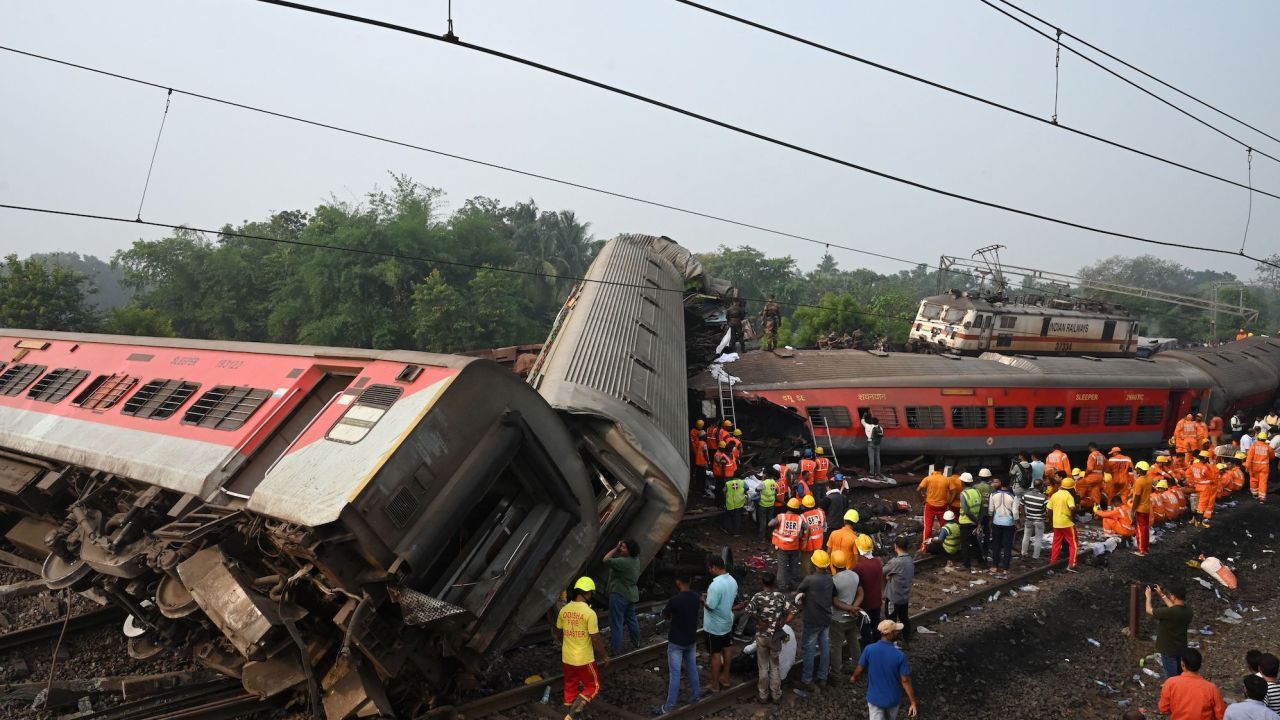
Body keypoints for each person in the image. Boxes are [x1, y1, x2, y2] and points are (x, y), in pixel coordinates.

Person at [555, 577, 608, 716]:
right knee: (593, 686)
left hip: (567, 657)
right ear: (588, 594)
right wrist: (604, 656)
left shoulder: (564, 610)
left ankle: (568, 712)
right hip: (584, 659)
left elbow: (559, 633)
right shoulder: (589, 613)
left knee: (570, 685)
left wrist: (566, 643)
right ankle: (573, 714)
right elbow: (595, 639)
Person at [741, 572, 795, 706]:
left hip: (761, 636)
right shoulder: (780, 597)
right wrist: (783, 623)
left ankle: (763, 695)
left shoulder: (757, 597)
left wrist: (759, 620)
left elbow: (747, 610)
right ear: (774, 583)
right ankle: (776, 695)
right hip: (775, 637)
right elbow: (793, 611)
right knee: (775, 666)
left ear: (763, 583)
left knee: (763, 667)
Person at [850, 620, 919, 720]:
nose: (897, 632)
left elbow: (860, 667)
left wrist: (854, 677)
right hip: (892, 699)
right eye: (895, 631)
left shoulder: (869, 649)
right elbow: (905, 680)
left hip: (874, 698)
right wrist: (913, 702)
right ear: (889, 634)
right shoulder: (900, 656)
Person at [655, 573, 702, 715]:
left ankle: (669, 706)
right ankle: (696, 696)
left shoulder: (675, 600)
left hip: (676, 642)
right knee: (692, 668)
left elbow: (665, 614)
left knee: (675, 674)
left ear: (678, 582)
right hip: (691, 639)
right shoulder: (696, 597)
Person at [797, 550, 836, 691]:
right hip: (825, 618)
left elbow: (799, 591)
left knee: (809, 649)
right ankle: (823, 677)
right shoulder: (830, 579)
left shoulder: (810, 579)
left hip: (812, 619)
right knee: (825, 648)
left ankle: (807, 680)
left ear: (814, 563)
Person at [1158, 647, 1226, 720]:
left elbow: (1163, 708)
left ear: (1183, 664)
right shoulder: (1211, 688)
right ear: (1199, 665)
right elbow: (1221, 715)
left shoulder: (1170, 682)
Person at [702, 554, 737, 693]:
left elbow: (711, 606)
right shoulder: (732, 580)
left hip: (714, 626)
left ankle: (715, 685)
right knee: (727, 648)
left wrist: (702, 600)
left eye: (710, 568)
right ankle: (726, 678)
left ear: (715, 567)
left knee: (715, 654)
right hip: (727, 621)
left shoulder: (715, 585)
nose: (709, 571)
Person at [602, 539, 642, 654]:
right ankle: (637, 642)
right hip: (631, 594)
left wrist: (615, 548)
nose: (621, 549)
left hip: (619, 595)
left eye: (624, 547)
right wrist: (620, 549)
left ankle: (616, 650)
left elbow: (605, 560)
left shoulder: (622, 562)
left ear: (630, 551)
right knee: (631, 620)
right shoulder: (636, 560)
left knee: (616, 623)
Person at [829, 549, 865, 675]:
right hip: (852, 617)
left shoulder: (834, 580)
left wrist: (851, 608)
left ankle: (836, 672)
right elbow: (861, 594)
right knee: (854, 641)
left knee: (836, 646)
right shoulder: (854, 575)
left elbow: (835, 602)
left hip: (838, 618)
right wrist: (854, 607)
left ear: (832, 564)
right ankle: (858, 667)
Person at [1147, 582, 1193, 678]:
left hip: (1168, 650)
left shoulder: (1170, 612)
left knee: (1172, 678)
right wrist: (1162, 595)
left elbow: (1149, 610)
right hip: (1181, 648)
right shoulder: (1188, 610)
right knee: (1181, 673)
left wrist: (1148, 597)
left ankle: (1174, 691)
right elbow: (1174, 607)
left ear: (1173, 596)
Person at [882, 535, 915, 645]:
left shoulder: (895, 562)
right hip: (904, 596)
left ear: (896, 546)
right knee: (904, 618)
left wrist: (888, 577)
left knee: (890, 620)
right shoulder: (910, 560)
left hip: (893, 597)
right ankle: (906, 639)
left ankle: (891, 643)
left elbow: (882, 571)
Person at [853, 534, 885, 649]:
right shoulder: (878, 562)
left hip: (865, 605)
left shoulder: (859, 568)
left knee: (865, 632)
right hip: (877, 601)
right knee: (876, 627)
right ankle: (878, 648)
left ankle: (868, 653)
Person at [769, 498, 804, 591]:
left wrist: (777, 521)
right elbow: (806, 528)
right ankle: (795, 585)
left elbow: (770, 524)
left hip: (782, 547)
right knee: (794, 567)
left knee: (782, 568)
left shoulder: (781, 517)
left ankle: (782, 587)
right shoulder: (799, 518)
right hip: (794, 547)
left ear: (787, 506)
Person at [987, 477, 1019, 576]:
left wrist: (991, 520)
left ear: (1000, 484)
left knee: (996, 544)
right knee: (1007, 546)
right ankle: (1005, 568)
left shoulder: (993, 495)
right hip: (1009, 523)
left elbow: (991, 510)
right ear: (1009, 484)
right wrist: (1017, 522)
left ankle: (995, 566)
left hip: (996, 522)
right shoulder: (1013, 497)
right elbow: (1015, 512)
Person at [917, 467, 953, 551]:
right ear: (943, 470)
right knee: (945, 526)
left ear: (934, 470)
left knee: (928, 527)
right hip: (942, 506)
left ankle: (924, 547)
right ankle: (945, 544)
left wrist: (922, 500)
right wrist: (949, 502)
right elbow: (953, 491)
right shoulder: (946, 480)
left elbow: (918, 490)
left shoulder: (928, 479)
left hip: (930, 506)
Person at [1048, 477, 1079, 571]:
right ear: (1072, 488)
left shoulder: (1055, 495)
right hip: (1067, 523)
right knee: (1073, 544)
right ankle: (1072, 564)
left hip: (1056, 523)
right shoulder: (1069, 496)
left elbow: (1049, 509)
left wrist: (1051, 521)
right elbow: (1072, 508)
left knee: (1056, 543)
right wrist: (1072, 518)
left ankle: (1053, 563)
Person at [957, 472, 985, 572]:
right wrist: (979, 522)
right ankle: (981, 561)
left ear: (963, 483)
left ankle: (966, 565)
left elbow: (966, 511)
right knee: (974, 542)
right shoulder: (977, 492)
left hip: (966, 522)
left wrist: (976, 521)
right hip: (975, 523)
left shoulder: (963, 494)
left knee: (965, 544)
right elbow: (982, 509)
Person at [1130, 462, 1155, 556]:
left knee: (1140, 530)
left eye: (1136, 469)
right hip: (1147, 507)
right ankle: (1145, 548)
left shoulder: (1139, 481)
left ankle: (1141, 550)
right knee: (1145, 529)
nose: (1135, 471)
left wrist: (1133, 510)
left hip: (1140, 508)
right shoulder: (1149, 479)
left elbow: (1137, 497)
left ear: (1139, 470)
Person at [1020, 478, 1048, 560]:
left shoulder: (1026, 494)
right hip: (1039, 520)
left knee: (1026, 536)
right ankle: (1035, 556)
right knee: (1038, 538)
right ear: (1041, 486)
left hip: (1028, 519)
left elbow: (1021, 505)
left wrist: (1024, 515)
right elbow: (1048, 508)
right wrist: (1046, 516)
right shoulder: (1043, 497)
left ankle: (1023, 553)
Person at [800, 495, 827, 576]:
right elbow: (824, 527)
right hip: (819, 542)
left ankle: (808, 579)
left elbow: (801, 533)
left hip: (807, 544)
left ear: (803, 505)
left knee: (806, 564)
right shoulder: (821, 513)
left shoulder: (802, 516)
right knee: (818, 561)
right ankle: (818, 576)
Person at [1246, 431, 1274, 502]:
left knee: (1253, 480)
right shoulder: (1268, 447)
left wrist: (1247, 467)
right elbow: (1272, 457)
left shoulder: (1253, 447)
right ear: (1265, 439)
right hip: (1264, 468)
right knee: (1263, 482)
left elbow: (1249, 458)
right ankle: (1262, 498)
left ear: (1258, 438)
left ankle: (1255, 494)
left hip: (1254, 467)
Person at [973, 469, 995, 557]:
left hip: (978, 513)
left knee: (978, 533)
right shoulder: (991, 488)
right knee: (987, 533)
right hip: (988, 514)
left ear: (979, 477)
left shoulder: (975, 487)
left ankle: (979, 551)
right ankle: (985, 552)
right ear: (989, 477)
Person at [756, 472, 778, 540]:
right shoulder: (774, 482)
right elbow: (776, 490)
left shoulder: (764, 483)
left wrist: (762, 480)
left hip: (763, 504)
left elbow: (756, 489)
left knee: (763, 521)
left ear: (766, 475)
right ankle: (770, 536)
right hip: (771, 504)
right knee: (770, 520)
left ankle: (762, 537)